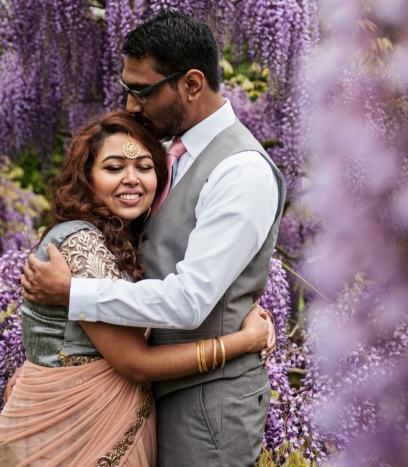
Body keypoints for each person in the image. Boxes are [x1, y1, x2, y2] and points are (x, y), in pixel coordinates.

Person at [20, 10, 287, 467]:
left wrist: (72, 292)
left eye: (141, 90)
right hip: (138, 399)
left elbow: (190, 301)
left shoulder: (240, 170)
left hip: (208, 407)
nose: (130, 105)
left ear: (191, 84)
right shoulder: (163, 155)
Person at [0, 112, 273, 466]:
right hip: (71, 434)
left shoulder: (121, 241)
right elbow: (137, 363)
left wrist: (239, 304)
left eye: (144, 167)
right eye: (114, 168)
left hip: (111, 426)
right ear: (86, 177)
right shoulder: (83, 244)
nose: (131, 180)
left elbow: (175, 289)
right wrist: (243, 342)